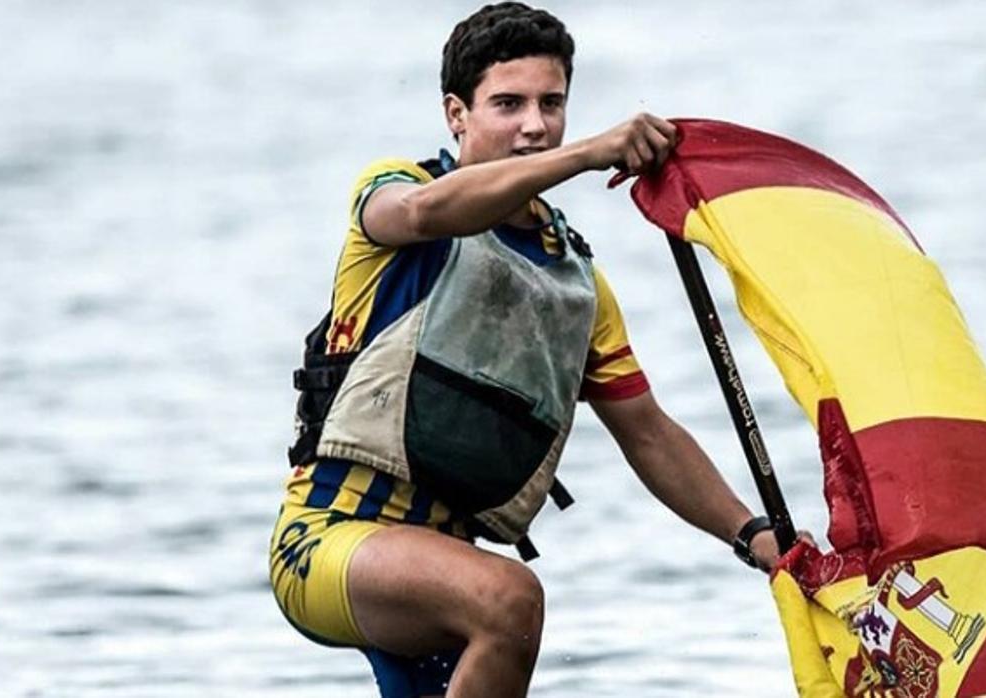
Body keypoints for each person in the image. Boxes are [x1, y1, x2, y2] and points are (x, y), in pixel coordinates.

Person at [269, 4, 781, 697]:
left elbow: (649, 433)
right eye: (507, 104)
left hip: (445, 565)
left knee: (498, 605)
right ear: (457, 113)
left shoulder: (576, 284)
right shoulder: (398, 193)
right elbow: (423, 215)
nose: (534, 126)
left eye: (551, 104)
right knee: (511, 601)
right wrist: (586, 155)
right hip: (330, 539)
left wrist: (752, 535)